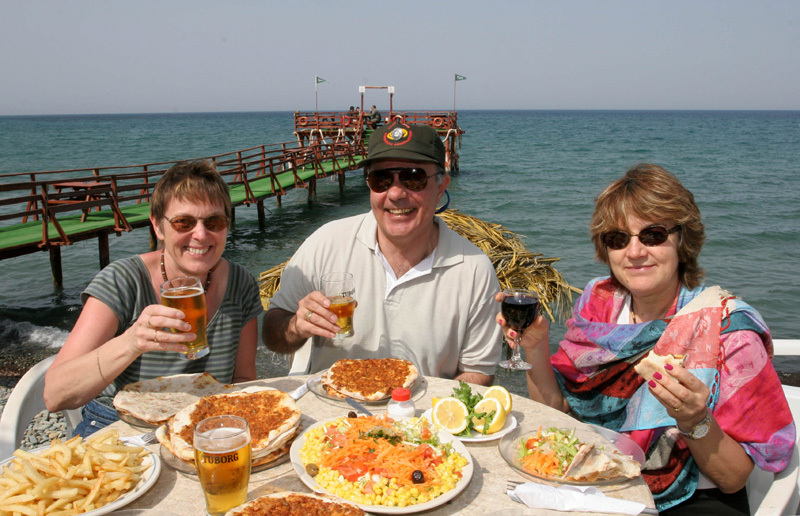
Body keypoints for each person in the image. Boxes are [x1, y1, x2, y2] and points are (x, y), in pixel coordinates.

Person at [496, 163, 795, 514]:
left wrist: (694, 419)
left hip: (695, 495)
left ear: (682, 239)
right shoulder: (599, 303)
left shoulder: (728, 330)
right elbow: (557, 409)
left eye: (652, 235)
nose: (635, 252)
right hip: (600, 480)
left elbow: (733, 479)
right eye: (618, 239)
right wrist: (534, 347)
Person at [263, 121, 502, 386]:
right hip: (329, 416)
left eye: (413, 178)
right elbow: (272, 332)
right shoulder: (326, 242)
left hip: (422, 418)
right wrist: (296, 327)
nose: (396, 193)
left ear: (441, 186)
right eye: (382, 180)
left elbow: (478, 371)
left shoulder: (474, 269)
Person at [44, 160, 263, 436]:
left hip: (204, 425)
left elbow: (243, 379)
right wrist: (131, 342)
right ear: (158, 227)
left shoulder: (241, 283)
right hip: (119, 427)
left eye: (214, 221)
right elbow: (55, 394)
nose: (200, 234)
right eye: (183, 222)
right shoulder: (124, 280)